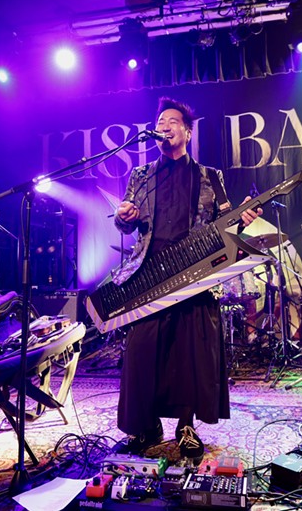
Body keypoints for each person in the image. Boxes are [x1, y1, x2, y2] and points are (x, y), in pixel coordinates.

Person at [111, 97, 260, 461]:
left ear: (187, 132)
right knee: (143, 351)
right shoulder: (141, 176)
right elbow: (124, 223)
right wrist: (123, 217)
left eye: (172, 120)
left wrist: (244, 218)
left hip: (195, 273)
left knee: (190, 351)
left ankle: (186, 425)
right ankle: (145, 427)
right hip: (149, 274)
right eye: (159, 120)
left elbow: (227, 221)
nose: (163, 124)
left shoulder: (209, 176)